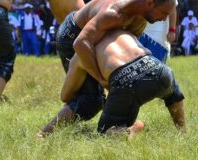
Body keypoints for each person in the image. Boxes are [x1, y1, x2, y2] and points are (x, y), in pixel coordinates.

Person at [57, 0, 176, 123]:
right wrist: (101, 79)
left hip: (90, 33)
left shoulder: (143, 4)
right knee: (89, 101)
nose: (164, 19)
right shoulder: (114, 13)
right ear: (150, 3)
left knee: (95, 96)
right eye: (164, 13)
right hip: (73, 36)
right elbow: (80, 43)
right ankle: (43, 135)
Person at [38, 30, 185, 137]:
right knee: (173, 93)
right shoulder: (121, 32)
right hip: (159, 70)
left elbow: (65, 95)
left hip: (127, 81)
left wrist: (80, 90)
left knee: (105, 132)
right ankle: (183, 133)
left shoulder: (80, 55)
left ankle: (134, 127)